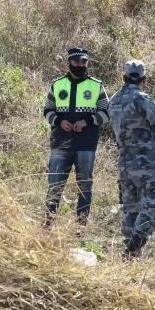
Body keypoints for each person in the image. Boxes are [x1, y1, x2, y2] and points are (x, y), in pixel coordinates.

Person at [108, 60, 155, 259]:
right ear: (144, 80)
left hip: (124, 163)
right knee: (153, 206)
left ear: (123, 78)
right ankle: (134, 247)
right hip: (145, 162)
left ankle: (130, 255)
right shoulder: (141, 98)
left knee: (131, 208)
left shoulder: (113, 101)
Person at [43, 47, 109, 227]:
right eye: (77, 61)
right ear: (69, 62)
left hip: (86, 144)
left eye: (84, 61)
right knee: (55, 184)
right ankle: (48, 224)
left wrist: (88, 121)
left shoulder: (96, 85)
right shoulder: (57, 84)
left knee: (85, 186)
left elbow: (106, 112)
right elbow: (47, 110)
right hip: (60, 143)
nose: (81, 64)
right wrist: (58, 121)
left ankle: (80, 227)